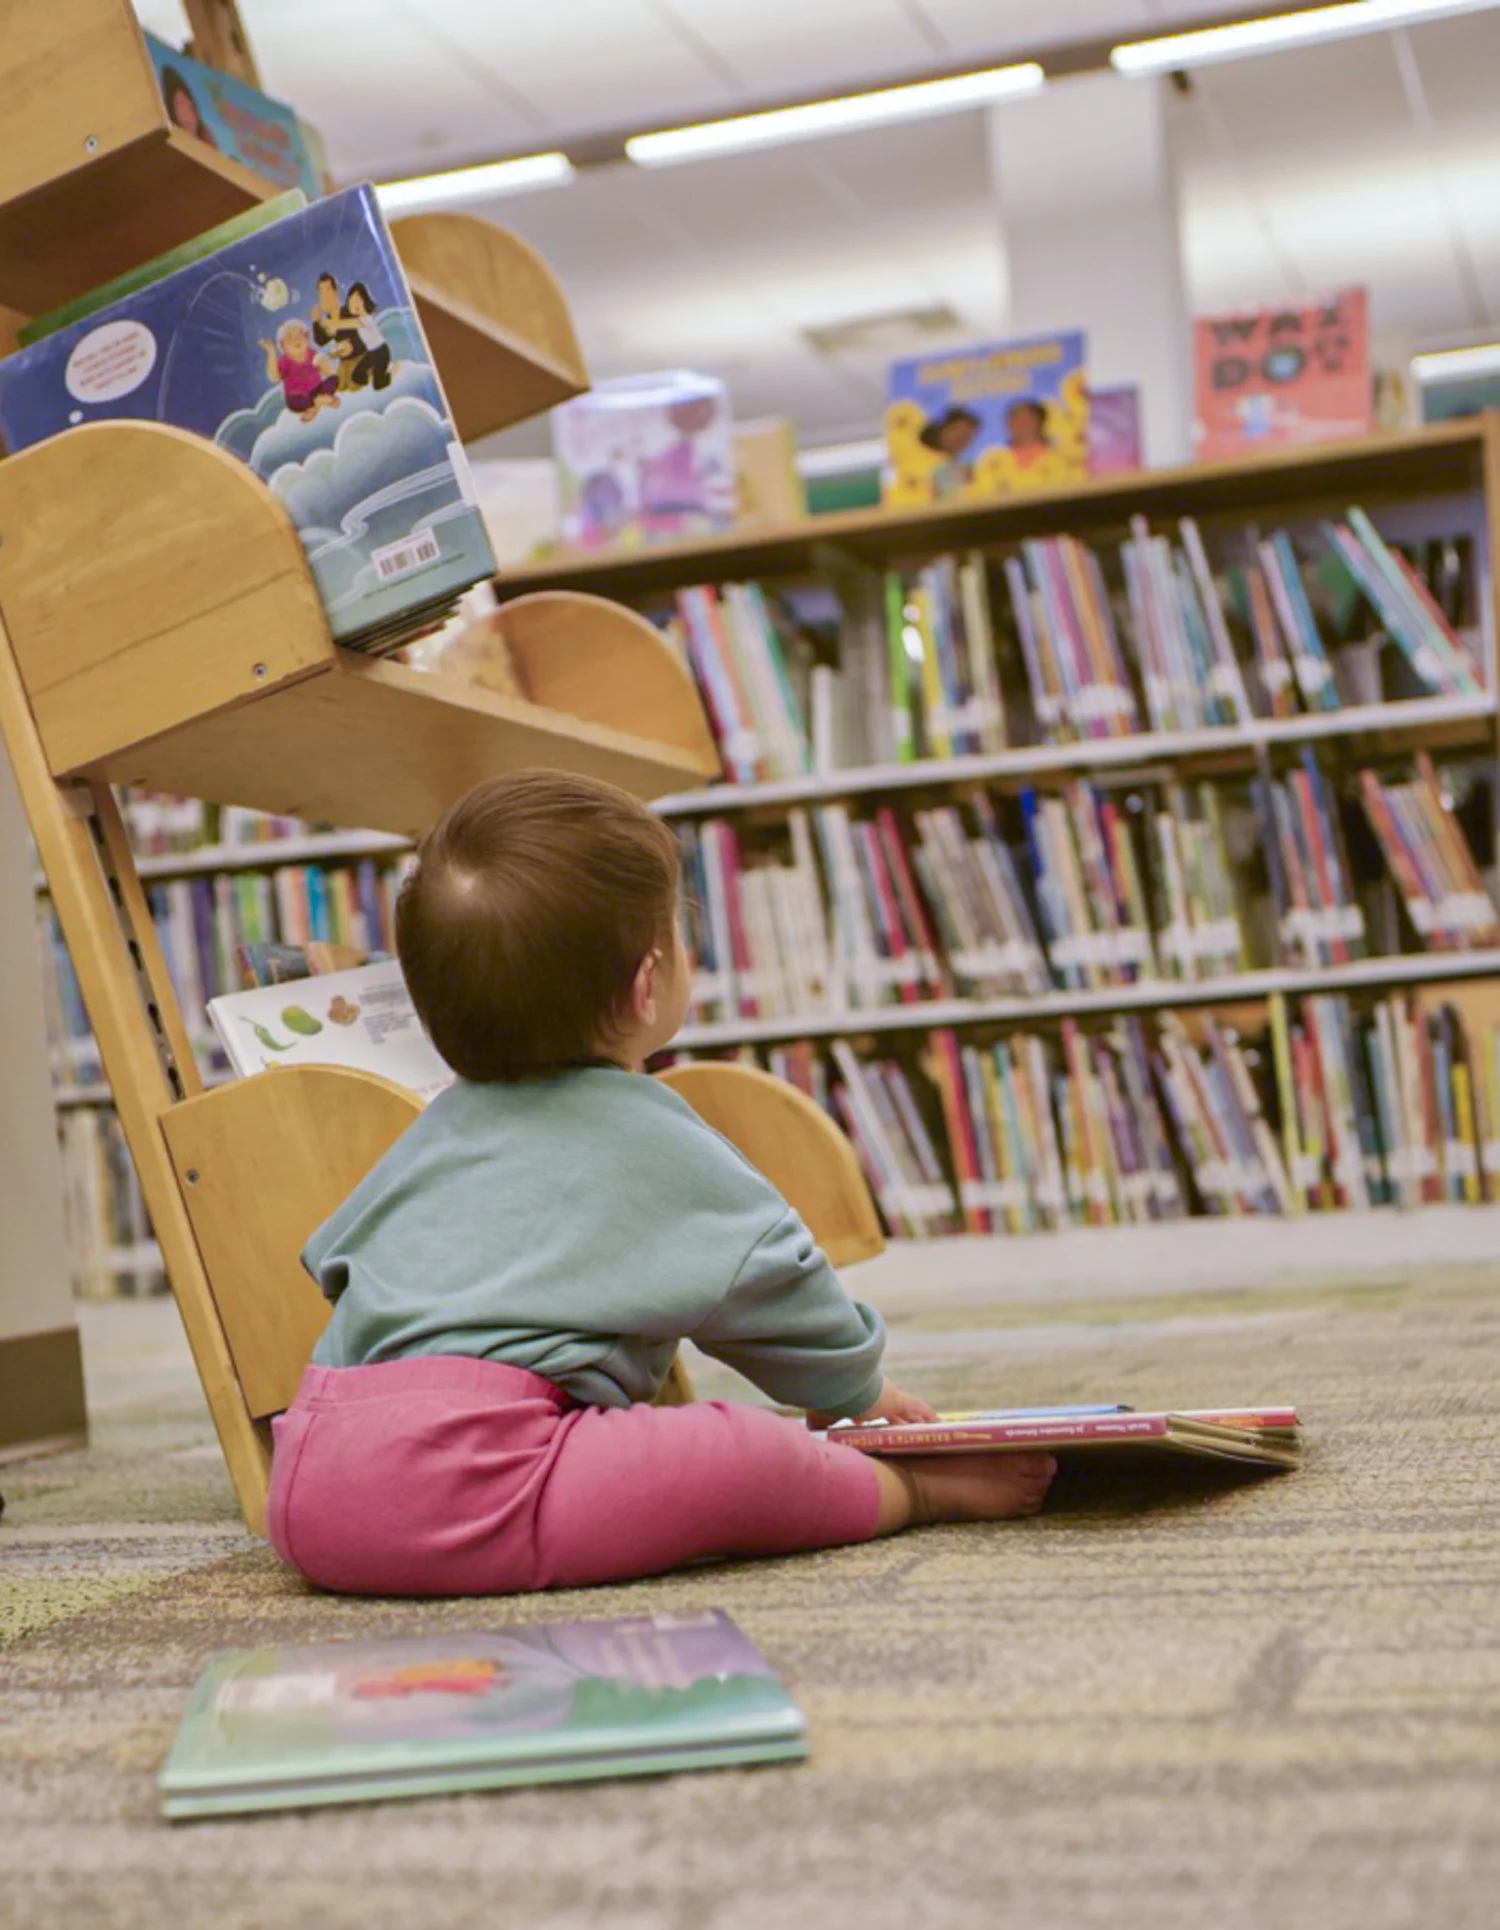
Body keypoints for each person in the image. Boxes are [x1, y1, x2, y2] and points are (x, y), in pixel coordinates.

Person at [266, 772, 1056, 1597]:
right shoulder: (647, 1128)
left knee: (658, 1444)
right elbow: (770, 1277)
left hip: (312, 1489)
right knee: (732, 1453)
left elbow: (336, 1264)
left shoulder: (433, 1132)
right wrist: (855, 1392)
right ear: (650, 985)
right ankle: (914, 1494)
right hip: (479, 1486)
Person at [259, 319, 339, 421]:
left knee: (334, 380)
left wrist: (323, 363)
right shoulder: (285, 361)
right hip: (298, 396)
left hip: (317, 390)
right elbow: (274, 377)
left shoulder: (313, 354)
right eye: (289, 338)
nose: (296, 340)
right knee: (296, 403)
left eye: (299, 335)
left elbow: (329, 372)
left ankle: (316, 405)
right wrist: (271, 352)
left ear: (307, 338)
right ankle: (319, 402)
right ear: (283, 347)